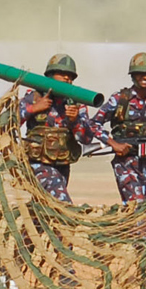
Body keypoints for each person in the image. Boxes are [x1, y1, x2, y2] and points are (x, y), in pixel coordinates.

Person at [90, 52, 146, 203]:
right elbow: (93, 124)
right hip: (125, 162)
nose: (145, 77)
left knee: (145, 208)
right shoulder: (120, 99)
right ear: (133, 75)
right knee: (136, 204)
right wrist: (114, 144)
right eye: (140, 74)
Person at [18, 54, 95, 203]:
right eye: (62, 74)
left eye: (70, 76)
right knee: (61, 202)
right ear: (50, 76)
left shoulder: (76, 103)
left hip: (62, 165)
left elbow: (86, 138)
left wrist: (75, 121)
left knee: (46, 205)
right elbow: (11, 122)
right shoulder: (34, 96)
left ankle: (33, 224)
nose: (67, 78)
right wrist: (34, 108)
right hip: (38, 164)